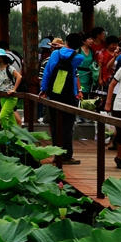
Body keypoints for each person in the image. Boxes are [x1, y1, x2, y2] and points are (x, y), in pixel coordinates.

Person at [40, 32, 85, 165]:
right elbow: (74, 74)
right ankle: (67, 155)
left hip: (54, 93)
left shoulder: (54, 54)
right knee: (68, 126)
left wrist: (43, 90)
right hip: (69, 95)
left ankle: (57, 154)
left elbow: (47, 73)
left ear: (66, 41)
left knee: (54, 125)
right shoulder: (79, 57)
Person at [0, 49, 23, 127]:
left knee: (2, 117)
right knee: (11, 119)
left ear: (3, 57)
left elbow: (19, 77)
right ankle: (15, 136)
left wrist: (14, 89)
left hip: (11, 97)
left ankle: (8, 134)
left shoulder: (9, 68)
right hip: (2, 96)